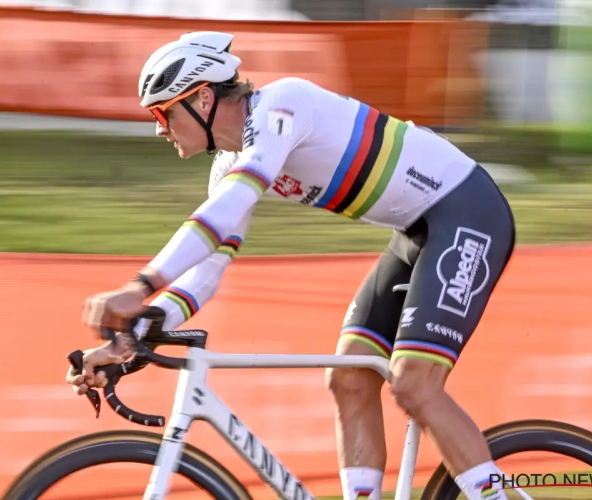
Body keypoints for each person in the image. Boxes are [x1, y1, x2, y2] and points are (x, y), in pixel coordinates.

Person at [68, 31, 516, 500]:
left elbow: (227, 208)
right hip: (416, 232)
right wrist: (130, 337)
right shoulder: (228, 164)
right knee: (348, 379)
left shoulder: (282, 106)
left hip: (466, 212)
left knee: (413, 386)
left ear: (202, 98)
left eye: (162, 112)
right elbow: (207, 270)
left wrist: (139, 287)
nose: (159, 127)